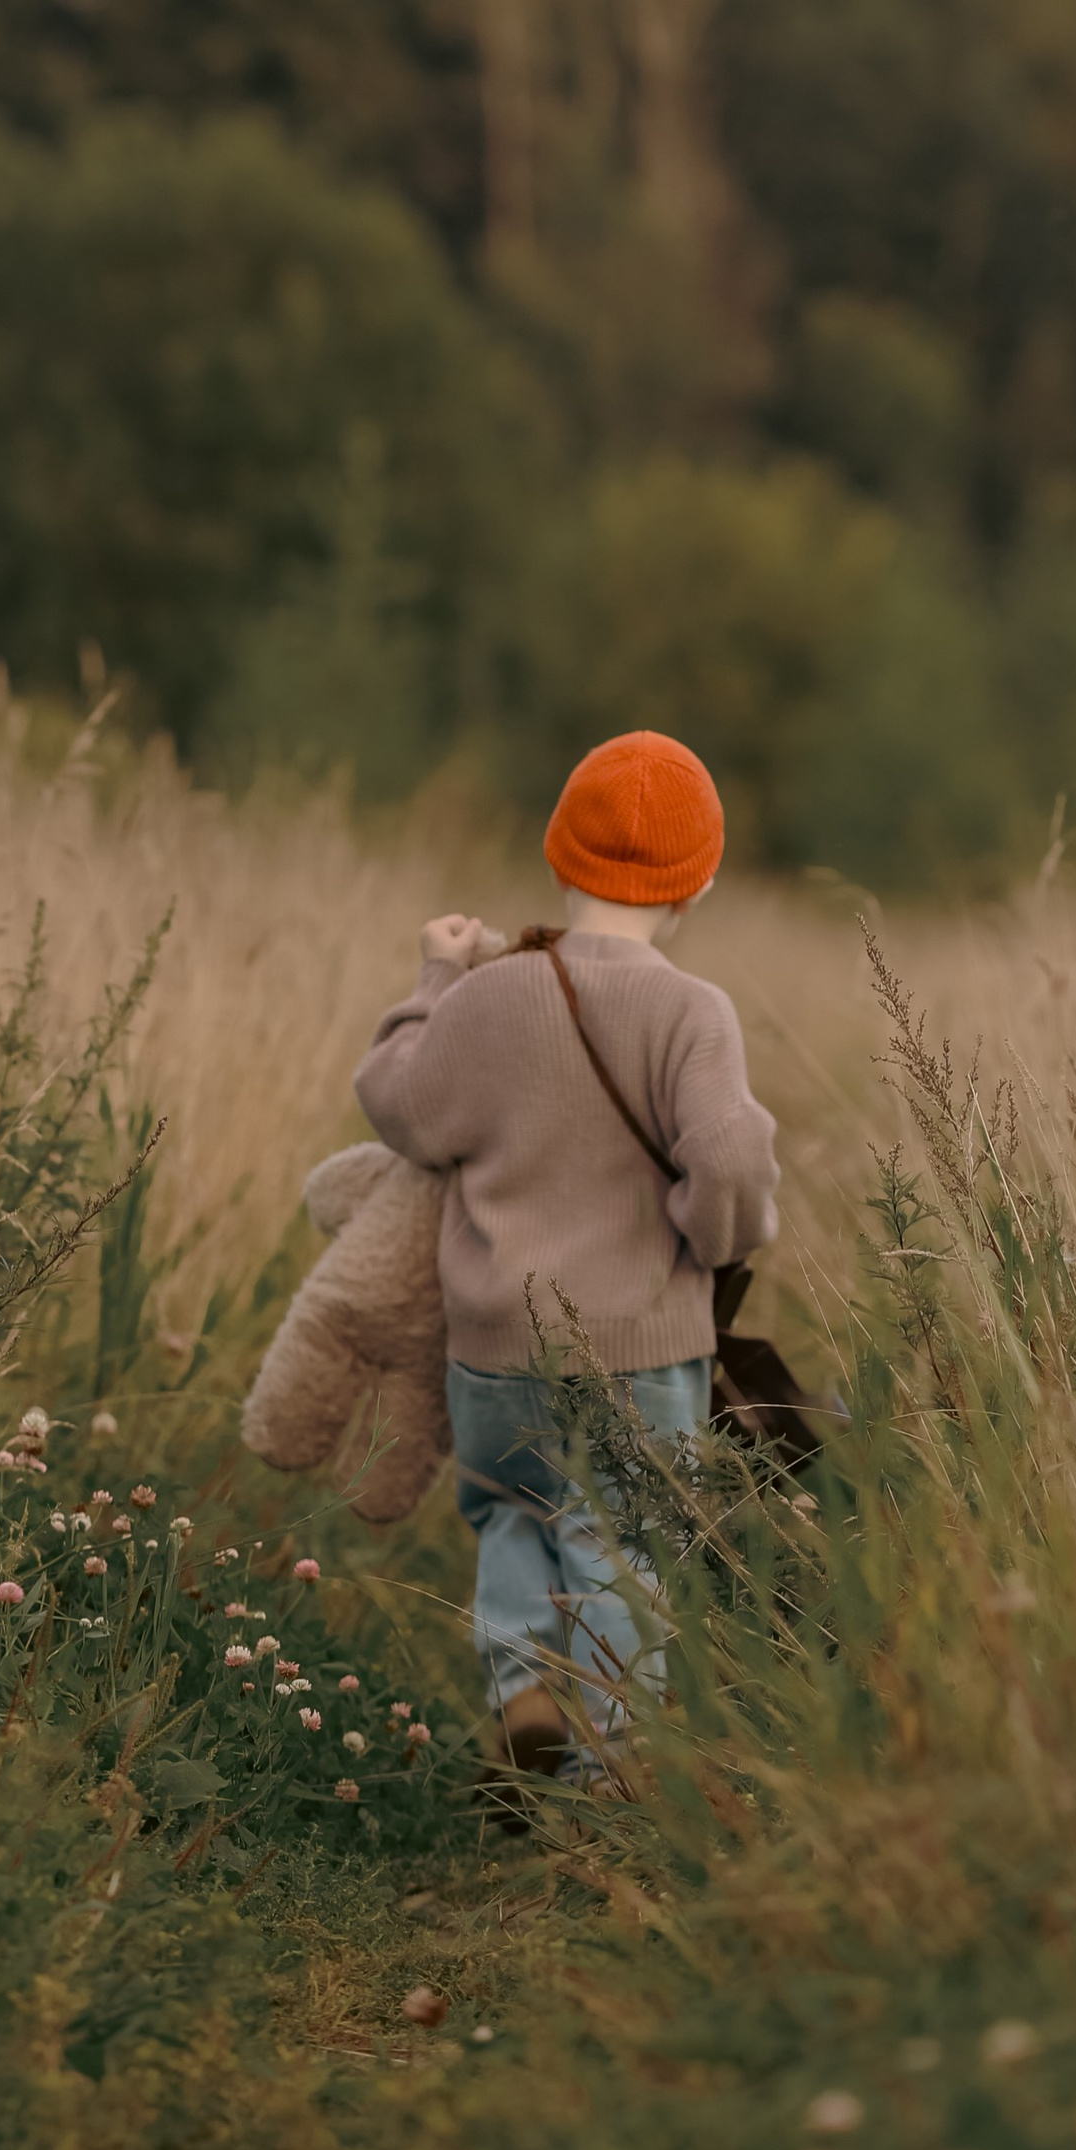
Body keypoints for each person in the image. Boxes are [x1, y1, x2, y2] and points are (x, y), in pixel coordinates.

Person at [352, 728, 779, 1778]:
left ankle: (524, 1691)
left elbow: (399, 1105)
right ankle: (613, 1754)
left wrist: (432, 980)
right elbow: (727, 1158)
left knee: (511, 1511)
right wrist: (717, 1242)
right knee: (620, 1540)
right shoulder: (692, 1013)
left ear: (557, 856)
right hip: (636, 1352)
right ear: (702, 881)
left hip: (492, 1349)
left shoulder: (489, 994)